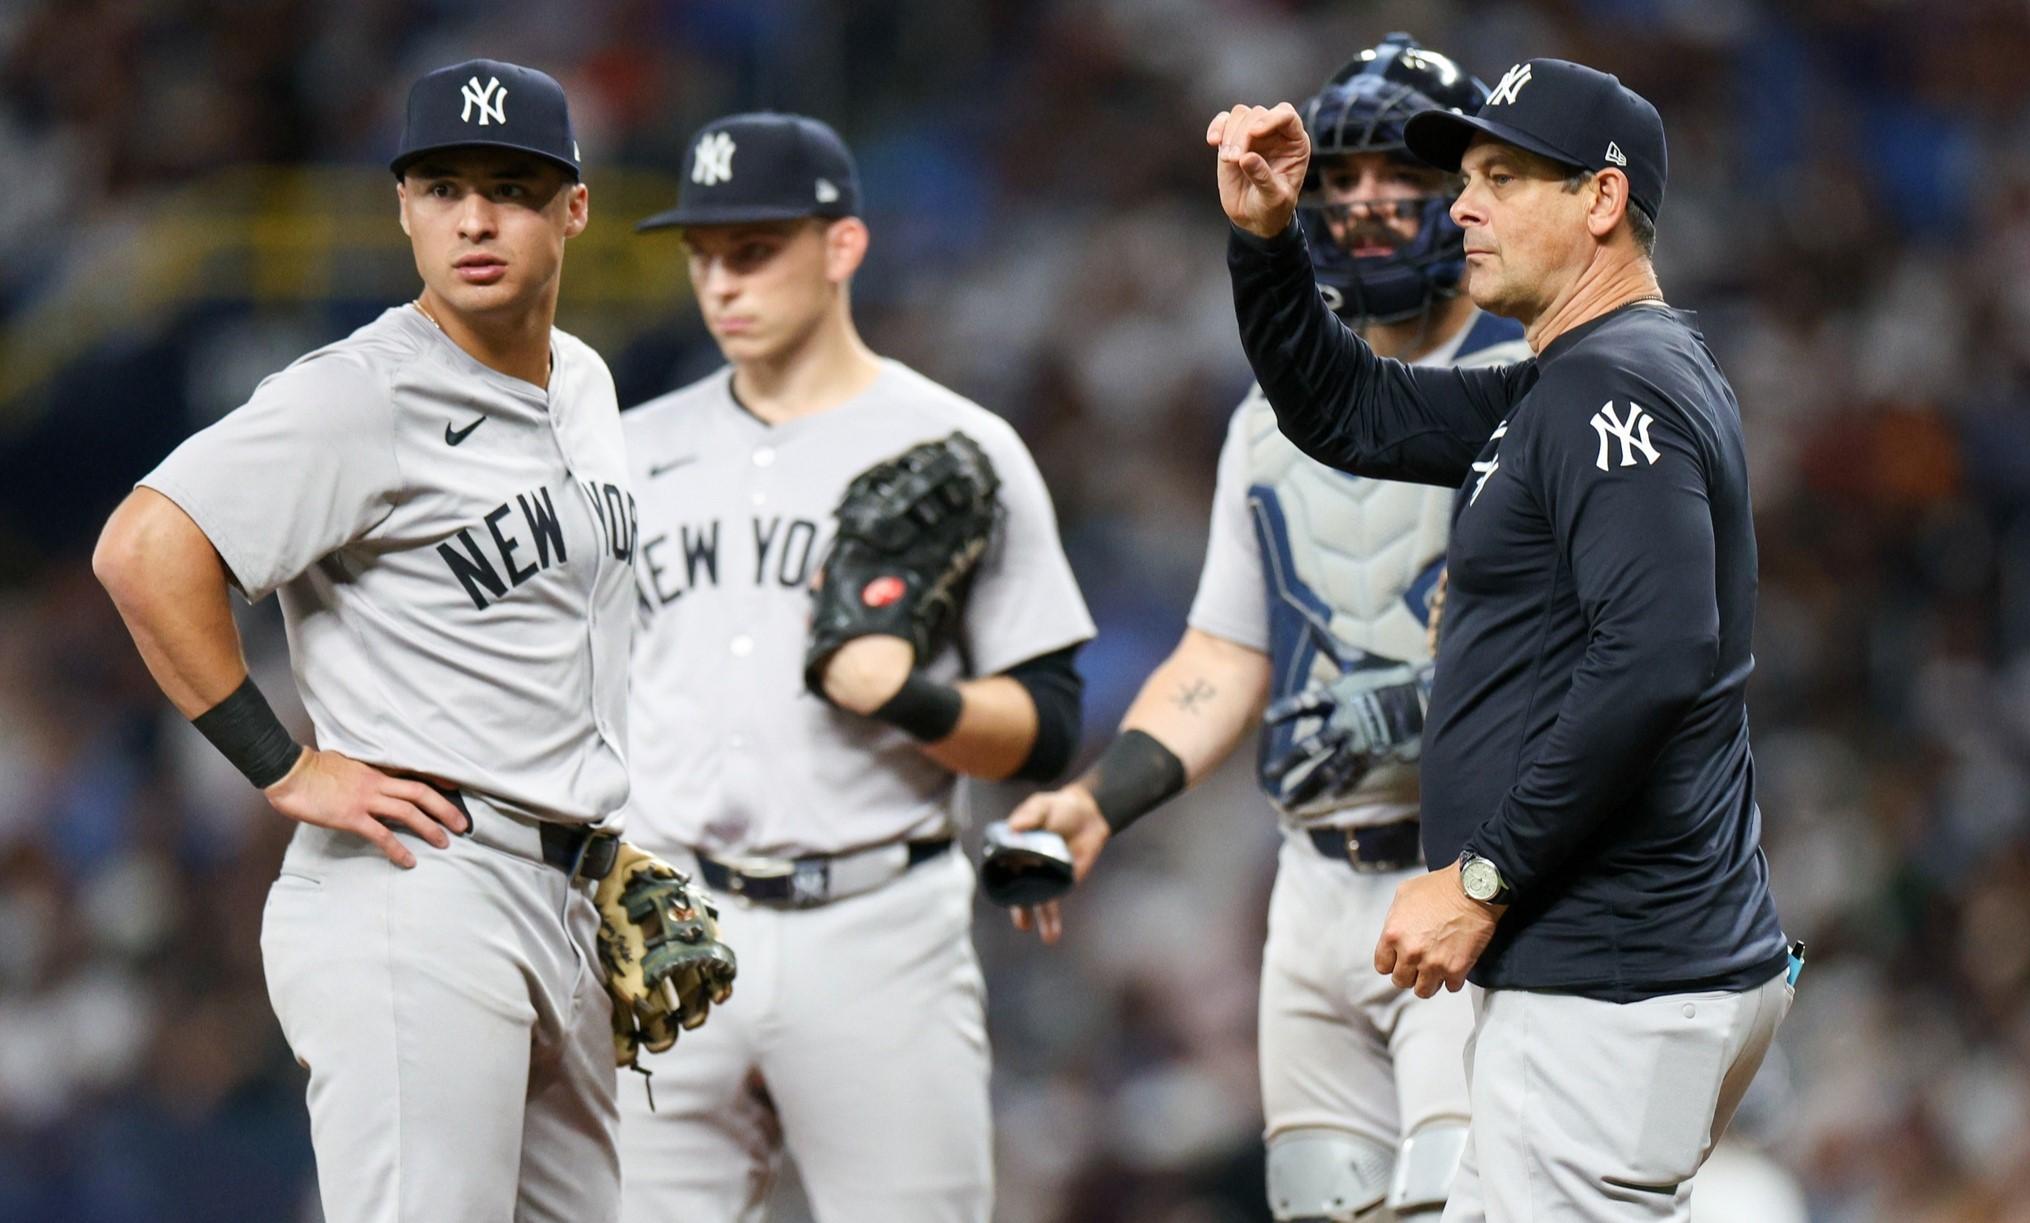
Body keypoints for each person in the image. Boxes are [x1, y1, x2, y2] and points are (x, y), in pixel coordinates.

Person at [1208, 58, 1797, 1220]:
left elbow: (1657, 654)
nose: (1461, 204)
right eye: (1465, 176)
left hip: (1608, 972)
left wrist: (1484, 876)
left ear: (1601, 201)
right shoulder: (1575, 380)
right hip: (1620, 962)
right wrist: (1270, 240)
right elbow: (1349, 409)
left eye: (1502, 176)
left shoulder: (1607, 388)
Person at [92, 60, 640, 1222]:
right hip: (423, 889)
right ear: (403, 209)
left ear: (574, 209)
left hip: (572, 900)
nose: (475, 218)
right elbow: (145, 549)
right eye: (442, 187)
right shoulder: (362, 394)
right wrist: (285, 765)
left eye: (512, 186)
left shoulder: (586, 384)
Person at [1004, 34, 1525, 1222]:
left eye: (1403, 169)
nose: (1367, 201)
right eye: (1338, 178)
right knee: (1319, 1204)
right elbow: (1228, 650)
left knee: (1469, 1204)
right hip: (1313, 878)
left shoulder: (1541, 386)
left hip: (1472, 873)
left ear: (1467, 194)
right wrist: (1099, 801)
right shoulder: (1266, 421)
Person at [612, 112, 1095, 1222]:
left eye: (753, 251)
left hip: (878, 929)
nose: (722, 284)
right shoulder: (627, 452)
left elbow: (1052, 721)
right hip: (668, 922)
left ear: (843, 247)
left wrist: (909, 698)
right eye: (703, 257)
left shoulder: (955, 444)